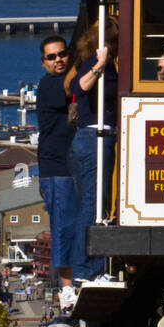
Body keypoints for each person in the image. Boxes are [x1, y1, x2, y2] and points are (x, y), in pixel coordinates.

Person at [66, 17, 119, 284]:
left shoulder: (110, 65)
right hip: (93, 137)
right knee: (92, 204)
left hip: (96, 138)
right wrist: (100, 64)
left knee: (93, 203)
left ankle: (88, 269)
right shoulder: (95, 62)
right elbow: (78, 87)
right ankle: (87, 270)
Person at [35, 34, 77, 308]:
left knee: (76, 223)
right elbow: (70, 84)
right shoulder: (49, 84)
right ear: (44, 63)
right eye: (52, 57)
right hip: (55, 167)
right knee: (62, 226)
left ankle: (78, 279)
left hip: (71, 164)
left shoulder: (64, 81)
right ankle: (67, 289)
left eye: (62, 54)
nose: (58, 60)